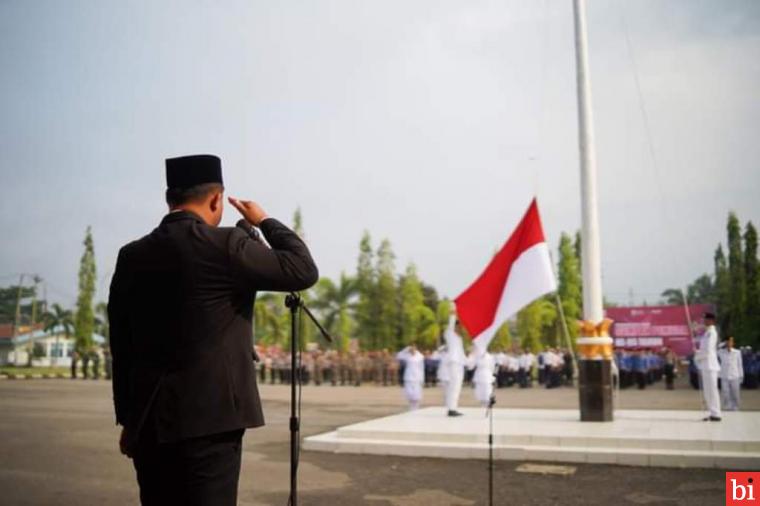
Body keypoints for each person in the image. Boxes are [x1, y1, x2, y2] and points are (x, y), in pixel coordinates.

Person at [108, 154, 318, 506]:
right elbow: (302, 269)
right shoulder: (225, 245)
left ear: (169, 198)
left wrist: (129, 420)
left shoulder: (131, 255)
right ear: (217, 199)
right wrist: (264, 220)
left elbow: (122, 344)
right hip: (211, 425)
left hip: (149, 425)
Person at [694, 312, 721, 421]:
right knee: (707, 391)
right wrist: (698, 352)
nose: (704, 321)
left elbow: (708, 351)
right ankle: (712, 412)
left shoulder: (711, 333)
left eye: (706, 319)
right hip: (706, 365)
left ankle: (716, 414)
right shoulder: (707, 333)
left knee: (712, 391)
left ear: (711, 321)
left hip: (710, 365)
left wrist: (698, 356)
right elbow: (704, 349)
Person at [443, 313, 466, 416]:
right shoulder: (450, 334)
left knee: (457, 386)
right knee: (454, 386)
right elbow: (451, 325)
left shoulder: (459, 339)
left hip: (459, 363)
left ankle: (453, 407)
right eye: (459, 326)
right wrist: (453, 314)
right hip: (453, 362)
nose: (461, 328)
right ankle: (451, 409)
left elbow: (461, 353)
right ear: (455, 326)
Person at [719, 337, 744, 411]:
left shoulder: (737, 352)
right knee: (725, 392)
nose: (729, 343)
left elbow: (740, 364)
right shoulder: (721, 352)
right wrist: (723, 343)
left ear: (733, 343)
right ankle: (727, 406)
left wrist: (741, 376)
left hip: (735, 375)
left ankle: (735, 407)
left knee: (735, 393)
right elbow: (714, 349)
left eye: (731, 342)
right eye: (728, 342)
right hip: (724, 375)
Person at [399, 344, 425, 410]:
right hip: (408, 376)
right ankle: (411, 407)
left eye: (414, 348)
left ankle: (416, 408)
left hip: (417, 377)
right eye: (411, 349)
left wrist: (422, 379)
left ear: (416, 348)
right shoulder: (407, 355)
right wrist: (406, 349)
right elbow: (399, 355)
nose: (412, 350)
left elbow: (422, 368)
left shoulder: (420, 356)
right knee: (409, 393)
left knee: (416, 393)